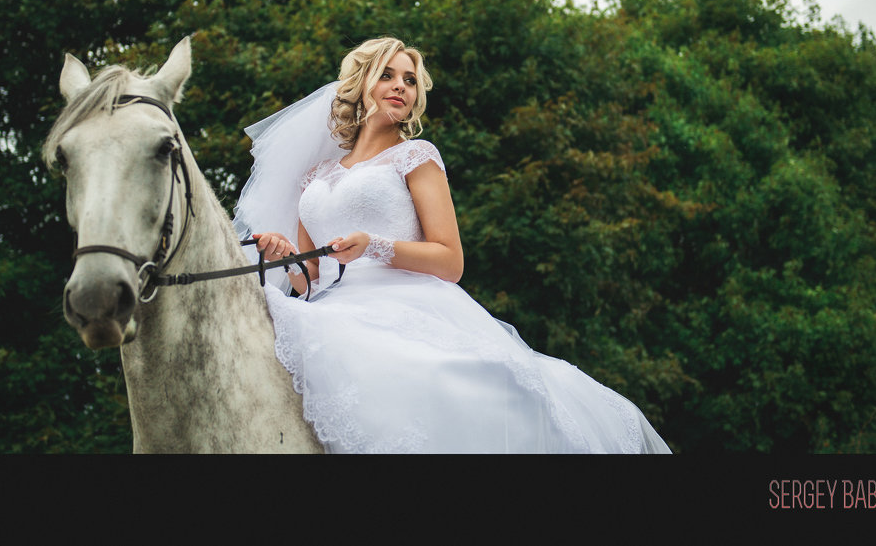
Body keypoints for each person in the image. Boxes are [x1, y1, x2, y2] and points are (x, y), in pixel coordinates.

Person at [232, 37, 671, 453]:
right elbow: (309, 279)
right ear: (360, 84)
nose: (400, 86)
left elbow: (450, 259)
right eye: (387, 75)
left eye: (409, 80)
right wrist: (287, 255)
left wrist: (374, 246)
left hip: (406, 303)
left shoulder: (415, 157)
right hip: (331, 308)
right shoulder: (316, 176)